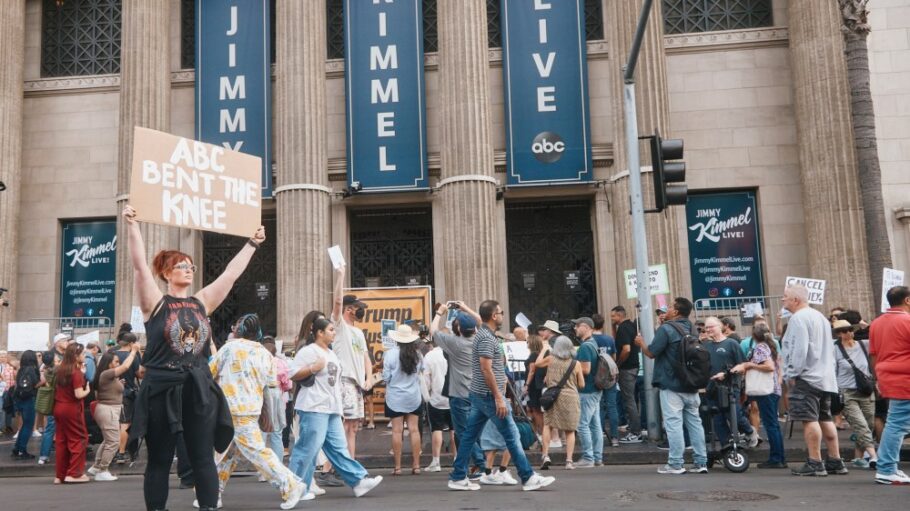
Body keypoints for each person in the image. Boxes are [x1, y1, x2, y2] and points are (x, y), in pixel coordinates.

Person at [122, 204, 258, 511]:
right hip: (162, 389)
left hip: (197, 389)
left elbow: (230, 275)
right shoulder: (155, 303)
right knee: (159, 459)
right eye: (181, 266)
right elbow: (140, 267)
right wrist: (132, 225)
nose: (188, 269)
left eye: (191, 266)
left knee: (202, 457)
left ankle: (208, 506)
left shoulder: (201, 302)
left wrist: (252, 243)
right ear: (167, 273)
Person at [447, 299, 554, 492]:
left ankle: (458, 476)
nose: (503, 315)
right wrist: (498, 397)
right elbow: (486, 369)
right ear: (494, 316)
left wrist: (465, 308)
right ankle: (527, 476)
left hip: (480, 393)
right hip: (489, 395)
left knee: (469, 436)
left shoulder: (484, 332)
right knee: (512, 436)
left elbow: (480, 319)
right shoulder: (486, 338)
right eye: (501, 312)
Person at [210, 314, 306, 510]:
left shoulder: (229, 348)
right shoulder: (265, 353)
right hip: (251, 410)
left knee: (256, 453)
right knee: (228, 454)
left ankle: (291, 485)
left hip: (232, 410)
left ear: (239, 330)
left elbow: (209, 372)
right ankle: (212, 493)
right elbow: (271, 386)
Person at [287, 317, 383, 498]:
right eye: (331, 330)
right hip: (314, 406)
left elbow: (335, 383)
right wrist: (313, 368)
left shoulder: (331, 353)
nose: (334, 333)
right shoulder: (308, 351)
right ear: (319, 333)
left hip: (332, 408)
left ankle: (358, 481)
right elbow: (292, 373)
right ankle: (295, 488)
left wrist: (340, 408)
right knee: (307, 448)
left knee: (339, 448)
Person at [637, 297, 709, 474]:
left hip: (671, 384)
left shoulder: (666, 329)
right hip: (691, 383)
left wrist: (641, 343)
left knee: (673, 424)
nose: (666, 309)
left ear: (676, 312)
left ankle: (676, 463)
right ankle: (701, 462)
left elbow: (652, 353)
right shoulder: (692, 328)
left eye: (670, 307)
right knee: (695, 423)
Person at [781, 284, 846, 477]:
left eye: (785, 296)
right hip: (824, 377)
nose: (783, 300)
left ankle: (815, 462)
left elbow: (799, 349)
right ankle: (835, 460)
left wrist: (792, 373)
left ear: (795, 300)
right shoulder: (821, 317)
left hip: (807, 376)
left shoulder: (798, 319)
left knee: (809, 419)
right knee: (825, 417)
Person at [430, 301, 486, 478]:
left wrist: (439, 313)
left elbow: (433, 331)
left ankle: (481, 464)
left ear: (459, 329)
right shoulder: (479, 340)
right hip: (477, 393)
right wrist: (466, 307)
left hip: (459, 395)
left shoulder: (454, 343)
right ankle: (463, 469)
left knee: (464, 433)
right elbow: (482, 321)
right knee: (474, 431)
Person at [330, 265, 373, 461]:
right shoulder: (339, 326)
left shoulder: (358, 332)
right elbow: (337, 301)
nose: (360, 311)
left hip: (357, 384)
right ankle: (339, 465)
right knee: (345, 425)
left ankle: (350, 465)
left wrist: (369, 378)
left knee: (353, 427)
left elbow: (365, 357)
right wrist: (340, 276)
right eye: (357, 307)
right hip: (344, 380)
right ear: (349, 309)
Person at [869, 285, 910, 485]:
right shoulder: (907, 321)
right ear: (907, 300)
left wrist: (878, 377)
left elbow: (874, 354)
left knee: (895, 422)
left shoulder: (876, 323)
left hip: (887, 376)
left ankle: (887, 466)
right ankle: (886, 468)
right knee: (897, 423)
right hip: (905, 377)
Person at [731, 323, 786, 468]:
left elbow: (769, 367)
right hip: (774, 389)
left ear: (754, 336)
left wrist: (749, 365)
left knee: (770, 425)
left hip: (766, 391)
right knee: (774, 425)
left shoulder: (761, 347)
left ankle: (776, 459)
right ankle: (780, 458)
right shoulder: (772, 346)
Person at [703, 316, 759, 447]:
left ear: (720, 327)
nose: (708, 329)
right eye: (706, 328)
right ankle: (727, 447)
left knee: (734, 415)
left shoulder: (731, 343)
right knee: (717, 418)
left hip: (730, 387)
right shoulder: (705, 346)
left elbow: (743, 365)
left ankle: (750, 431)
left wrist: (727, 374)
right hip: (712, 387)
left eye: (711, 326)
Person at [87, 343, 140, 481]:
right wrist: (133, 352)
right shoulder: (107, 373)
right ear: (108, 363)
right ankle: (103, 470)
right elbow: (125, 367)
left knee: (108, 440)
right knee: (113, 442)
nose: (118, 363)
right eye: (116, 361)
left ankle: (97, 467)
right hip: (108, 410)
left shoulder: (108, 375)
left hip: (110, 410)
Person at [831, 319, 878, 469]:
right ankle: (874, 456)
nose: (849, 333)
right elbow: (832, 372)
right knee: (860, 424)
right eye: (845, 331)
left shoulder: (864, 344)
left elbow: (879, 339)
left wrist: (868, 327)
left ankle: (858, 457)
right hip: (846, 392)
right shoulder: (835, 349)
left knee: (869, 424)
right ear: (838, 334)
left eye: (851, 329)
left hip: (866, 390)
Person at [382, 324, 424, 475]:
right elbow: (421, 372)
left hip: (395, 397)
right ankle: (416, 465)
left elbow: (386, 377)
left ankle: (398, 467)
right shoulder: (418, 355)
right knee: (414, 430)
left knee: (397, 431)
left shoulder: (389, 354)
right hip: (413, 396)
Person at [540, 336, 583, 470]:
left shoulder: (550, 359)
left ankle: (545, 456)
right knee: (570, 430)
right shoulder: (576, 364)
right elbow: (582, 384)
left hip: (553, 396)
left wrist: (544, 349)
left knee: (548, 425)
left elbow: (537, 364)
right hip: (571, 397)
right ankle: (569, 461)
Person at [53, 343, 91, 484]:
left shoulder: (61, 370)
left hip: (58, 407)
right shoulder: (76, 373)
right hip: (71, 409)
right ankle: (74, 474)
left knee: (61, 441)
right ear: (76, 356)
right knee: (79, 439)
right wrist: (87, 390)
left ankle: (60, 475)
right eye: (82, 353)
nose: (84, 356)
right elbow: (78, 394)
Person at [421, 333, 454, 473]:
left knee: (436, 429)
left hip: (436, 398)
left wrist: (427, 395)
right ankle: (457, 459)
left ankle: (436, 461)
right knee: (454, 430)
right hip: (454, 397)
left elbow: (426, 379)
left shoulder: (430, 356)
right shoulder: (455, 352)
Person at [573, 317, 603, 468]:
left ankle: (588, 457)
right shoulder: (593, 343)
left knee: (582, 424)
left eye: (577, 326)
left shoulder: (585, 346)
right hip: (595, 389)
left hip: (587, 390)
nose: (575, 328)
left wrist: (572, 368)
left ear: (585, 327)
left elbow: (585, 370)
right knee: (595, 425)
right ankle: (597, 457)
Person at [611, 306, 643, 444]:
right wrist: (613, 327)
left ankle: (636, 432)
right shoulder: (630, 326)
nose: (611, 319)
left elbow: (626, 349)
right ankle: (634, 427)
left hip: (627, 368)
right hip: (633, 367)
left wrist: (618, 363)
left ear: (619, 315)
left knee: (629, 400)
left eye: (613, 316)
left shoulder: (623, 328)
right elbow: (617, 343)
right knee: (631, 399)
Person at [530, 320, 563, 450]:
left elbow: (547, 362)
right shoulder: (556, 342)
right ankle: (557, 438)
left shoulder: (551, 343)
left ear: (549, 331)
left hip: (550, 382)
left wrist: (549, 373)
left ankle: (555, 438)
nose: (541, 332)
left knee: (549, 411)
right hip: (552, 381)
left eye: (544, 330)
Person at [112, 324, 142, 466]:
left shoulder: (112, 354)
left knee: (116, 423)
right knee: (125, 423)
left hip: (112, 393)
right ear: (131, 344)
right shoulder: (133, 356)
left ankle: (114, 450)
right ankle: (121, 452)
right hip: (127, 393)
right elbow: (139, 374)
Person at [261, 336, 292, 463]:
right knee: (277, 434)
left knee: (262, 433)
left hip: (262, 397)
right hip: (278, 397)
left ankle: (262, 468)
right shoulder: (281, 363)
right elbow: (288, 385)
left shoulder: (258, 361)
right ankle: (277, 465)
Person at [10, 350, 40, 460]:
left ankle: (17, 448)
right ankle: (22, 450)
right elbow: (35, 383)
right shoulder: (31, 369)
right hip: (28, 399)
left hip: (20, 399)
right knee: (28, 425)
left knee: (24, 425)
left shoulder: (21, 369)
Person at [524, 333, 546, 437]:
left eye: (528, 342)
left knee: (536, 409)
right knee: (537, 409)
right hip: (538, 384)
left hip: (533, 385)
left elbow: (532, 371)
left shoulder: (533, 355)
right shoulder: (541, 354)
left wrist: (527, 384)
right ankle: (541, 433)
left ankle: (541, 433)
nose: (526, 344)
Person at [0, 350, 15, 436]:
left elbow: (13, 378)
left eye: (4, 357)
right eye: (1, 357)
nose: (3, 358)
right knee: (1, 408)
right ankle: (1, 427)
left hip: (8, 390)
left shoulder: (10, 367)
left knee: (8, 408)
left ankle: (8, 426)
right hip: (0, 391)